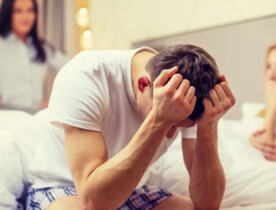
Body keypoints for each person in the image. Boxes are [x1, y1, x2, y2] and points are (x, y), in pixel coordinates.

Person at [26, 44, 235, 210]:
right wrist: (158, 121)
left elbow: (208, 205)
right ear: (143, 85)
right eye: (170, 124)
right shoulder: (85, 75)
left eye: (177, 126)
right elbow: (93, 202)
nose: (170, 134)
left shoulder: (183, 94)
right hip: (67, 188)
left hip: (129, 190)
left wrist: (208, 126)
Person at [0, 0, 67, 113]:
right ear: (8, 13)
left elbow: (73, 68)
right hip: (5, 116)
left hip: (36, 117)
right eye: (18, 11)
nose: (25, 17)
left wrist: (57, 100)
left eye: (30, 10)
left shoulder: (43, 48)